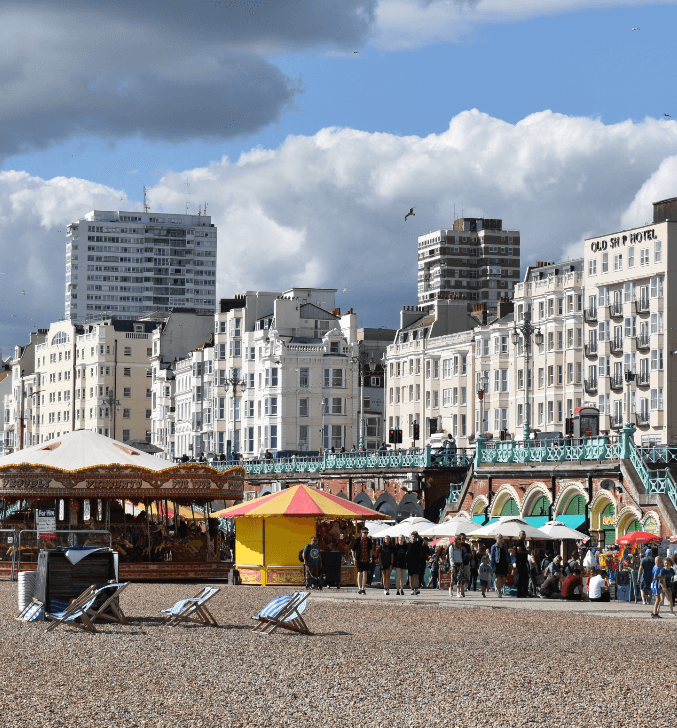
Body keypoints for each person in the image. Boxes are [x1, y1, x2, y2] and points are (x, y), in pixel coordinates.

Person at [351, 527, 373, 595]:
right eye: (364, 532)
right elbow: (353, 550)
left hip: (366, 559)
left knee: (365, 573)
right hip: (359, 559)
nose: (366, 534)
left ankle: (363, 588)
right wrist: (354, 558)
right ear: (361, 533)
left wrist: (371, 557)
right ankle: (359, 588)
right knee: (360, 573)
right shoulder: (358, 540)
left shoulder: (369, 540)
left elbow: (370, 550)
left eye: (367, 533)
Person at [514, 530, 530, 598]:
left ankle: (523, 593)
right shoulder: (519, 542)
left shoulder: (522, 542)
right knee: (522, 578)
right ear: (519, 535)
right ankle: (521, 593)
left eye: (525, 534)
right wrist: (527, 552)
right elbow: (519, 551)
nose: (524, 536)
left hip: (522, 562)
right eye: (523, 534)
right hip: (520, 563)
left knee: (524, 578)